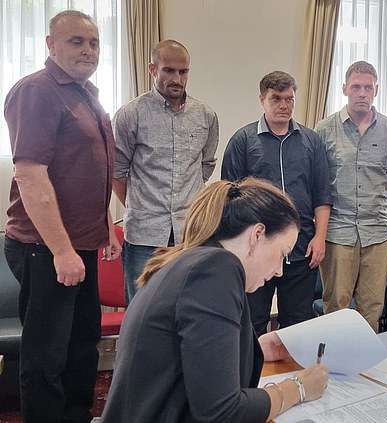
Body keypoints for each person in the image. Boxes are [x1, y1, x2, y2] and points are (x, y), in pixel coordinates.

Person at [101, 177, 329, 423]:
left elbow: (190, 357)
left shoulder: (194, 262)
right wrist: (298, 388)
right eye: (282, 254)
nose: (279, 271)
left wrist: (256, 349)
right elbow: (222, 413)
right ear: (258, 234)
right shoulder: (217, 269)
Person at [3, 10, 121, 423]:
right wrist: (62, 251)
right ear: (50, 45)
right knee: (45, 357)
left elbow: (86, 169)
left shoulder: (86, 93)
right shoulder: (36, 92)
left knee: (81, 347)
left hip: (81, 245)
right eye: (76, 41)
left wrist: (106, 224)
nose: (88, 50)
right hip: (46, 250)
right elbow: (31, 176)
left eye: (93, 43)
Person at [221, 71, 331, 336]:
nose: (284, 105)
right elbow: (229, 198)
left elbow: (322, 194)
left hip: (301, 247)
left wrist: (320, 237)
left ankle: (295, 377)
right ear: (262, 100)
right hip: (256, 250)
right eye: (276, 98)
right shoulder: (243, 141)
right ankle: (252, 376)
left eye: (289, 99)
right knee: (253, 321)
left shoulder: (311, 141)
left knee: (298, 323)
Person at [113, 39, 219, 304]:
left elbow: (205, 165)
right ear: (152, 69)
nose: (177, 78)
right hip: (144, 234)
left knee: (189, 307)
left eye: (183, 72)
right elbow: (117, 172)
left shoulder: (205, 115)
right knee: (142, 309)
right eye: (169, 70)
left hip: (190, 234)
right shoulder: (131, 115)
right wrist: (141, 204)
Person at [314, 61, 387, 332]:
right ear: (345, 89)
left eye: (368, 87)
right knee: (335, 307)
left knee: (372, 308)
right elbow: (318, 182)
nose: (362, 93)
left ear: (376, 90)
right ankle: (332, 371)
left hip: (377, 233)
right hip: (338, 233)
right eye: (356, 87)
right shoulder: (325, 129)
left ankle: (366, 371)